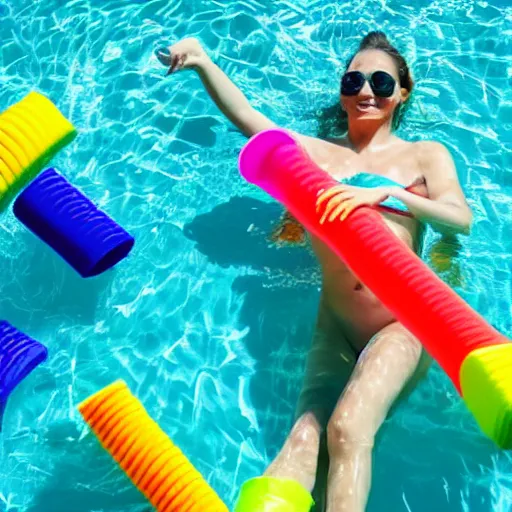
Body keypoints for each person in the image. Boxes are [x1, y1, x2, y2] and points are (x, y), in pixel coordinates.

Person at [156, 31, 473, 512]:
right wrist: (202, 61)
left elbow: (460, 219)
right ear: (342, 91)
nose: (367, 90)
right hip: (336, 321)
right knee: (305, 437)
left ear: (401, 92)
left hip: (405, 318)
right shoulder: (316, 154)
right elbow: (250, 122)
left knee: (348, 428)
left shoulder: (424, 155)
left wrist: (387, 194)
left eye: (382, 82)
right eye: (354, 80)